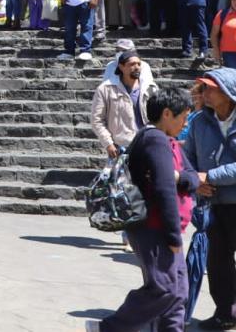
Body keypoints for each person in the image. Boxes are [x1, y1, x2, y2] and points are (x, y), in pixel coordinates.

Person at [89, 88, 197, 332]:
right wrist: (172, 236)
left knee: (178, 292)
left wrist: (180, 177)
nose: (185, 123)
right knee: (164, 288)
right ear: (168, 114)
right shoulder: (155, 139)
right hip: (156, 228)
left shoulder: (168, 141)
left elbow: (192, 177)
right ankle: (107, 329)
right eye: (183, 117)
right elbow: (163, 188)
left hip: (165, 228)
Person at [179, 68, 236, 331]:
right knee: (217, 262)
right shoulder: (200, 121)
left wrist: (208, 176)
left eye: (210, 88)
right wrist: (195, 183)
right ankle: (225, 313)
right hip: (215, 205)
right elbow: (186, 159)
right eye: (202, 88)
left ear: (228, 91)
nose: (204, 93)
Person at [91, 49, 158, 158]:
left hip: (147, 143)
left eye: (139, 64)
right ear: (121, 67)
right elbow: (96, 120)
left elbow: (159, 116)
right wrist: (108, 143)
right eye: (132, 64)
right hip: (121, 147)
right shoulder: (106, 89)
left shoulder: (150, 88)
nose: (137, 67)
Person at [212, 0, 236, 70]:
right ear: (230, 1)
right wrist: (216, 51)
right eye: (234, 0)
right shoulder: (222, 14)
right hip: (228, 55)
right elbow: (214, 35)